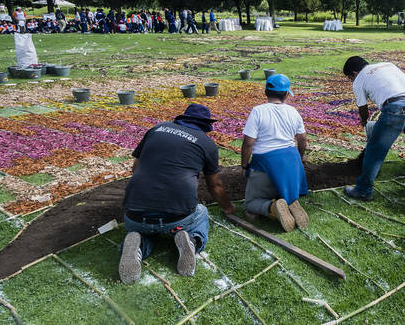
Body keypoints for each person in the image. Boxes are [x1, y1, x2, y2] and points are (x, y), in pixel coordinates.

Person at [119, 103, 236, 284]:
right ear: (206, 125)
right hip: (177, 218)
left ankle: (138, 242)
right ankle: (193, 240)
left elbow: (135, 168)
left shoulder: (156, 129)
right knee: (202, 212)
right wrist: (229, 207)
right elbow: (215, 186)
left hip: (134, 214)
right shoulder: (206, 143)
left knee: (146, 229)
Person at [342, 56, 405, 201]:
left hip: (396, 108)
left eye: (350, 78)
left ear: (354, 73)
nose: (351, 81)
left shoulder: (359, 79)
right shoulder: (388, 65)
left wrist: (365, 122)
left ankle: (363, 190)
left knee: (375, 150)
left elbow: (363, 108)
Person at [241, 74, 309, 232]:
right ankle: (290, 201)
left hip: (266, 162)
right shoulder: (293, 112)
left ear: (265, 92)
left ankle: (272, 207)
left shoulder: (258, 111)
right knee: (283, 189)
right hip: (291, 161)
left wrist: (244, 165)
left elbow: (248, 143)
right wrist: (300, 156)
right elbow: (302, 138)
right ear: (287, 94)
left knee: (250, 206)